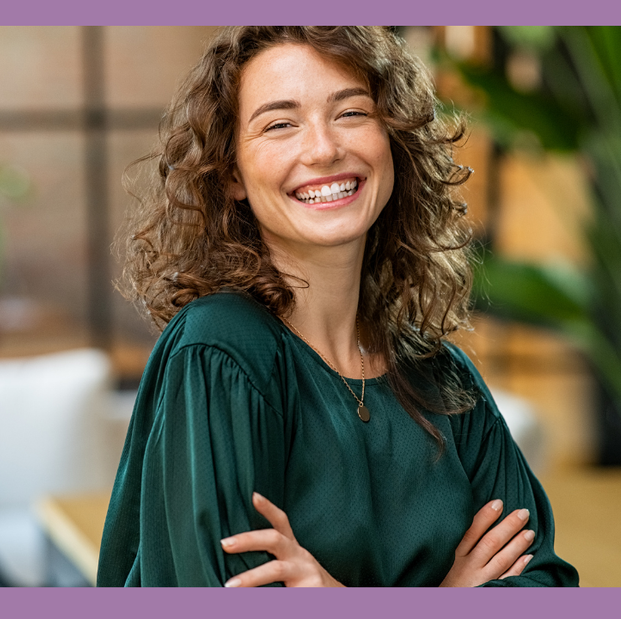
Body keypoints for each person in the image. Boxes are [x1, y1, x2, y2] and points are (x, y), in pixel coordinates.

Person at [97, 26, 578, 587]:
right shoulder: (221, 350)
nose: (324, 148)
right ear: (231, 174)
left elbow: (542, 584)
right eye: (280, 124)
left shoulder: (443, 379)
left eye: (351, 113)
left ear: (392, 138)